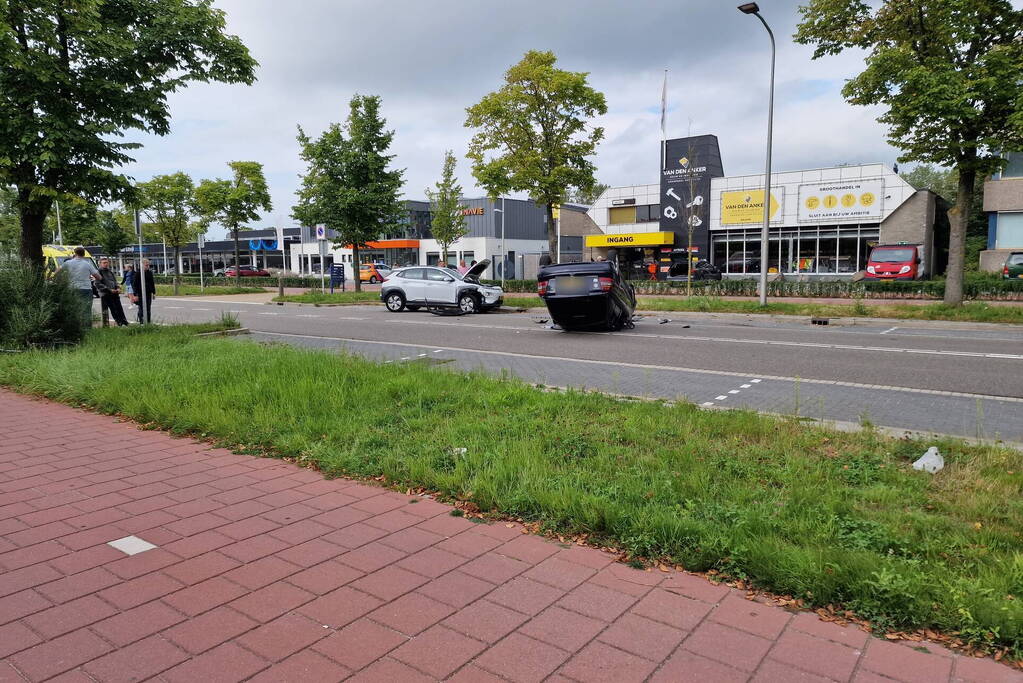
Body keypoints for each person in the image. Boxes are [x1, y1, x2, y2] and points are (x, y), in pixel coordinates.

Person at [59, 246, 100, 328]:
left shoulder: (68, 263)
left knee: (73, 309)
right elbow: (98, 277)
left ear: (75, 253)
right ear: (84, 254)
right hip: (85, 289)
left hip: (72, 288)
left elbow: (57, 272)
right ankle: (87, 329)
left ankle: (74, 328)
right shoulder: (87, 264)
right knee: (86, 310)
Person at [95, 258, 129, 326]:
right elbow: (97, 284)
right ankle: (119, 323)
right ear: (100, 264)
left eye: (107, 262)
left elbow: (114, 281)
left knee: (119, 308)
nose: (106, 264)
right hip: (106, 293)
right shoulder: (98, 272)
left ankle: (124, 322)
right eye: (104, 263)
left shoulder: (110, 271)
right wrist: (109, 290)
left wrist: (118, 287)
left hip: (115, 292)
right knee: (113, 309)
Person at [133, 259, 156, 323]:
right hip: (140, 293)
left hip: (148, 293)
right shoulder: (138, 273)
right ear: (142, 265)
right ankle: (141, 322)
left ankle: (148, 322)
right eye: (146, 265)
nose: (148, 266)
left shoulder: (150, 273)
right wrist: (136, 295)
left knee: (148, 308)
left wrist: (154, 293)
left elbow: (152, 283)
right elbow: (134, 284)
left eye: (148, 265)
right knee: (142, 308)